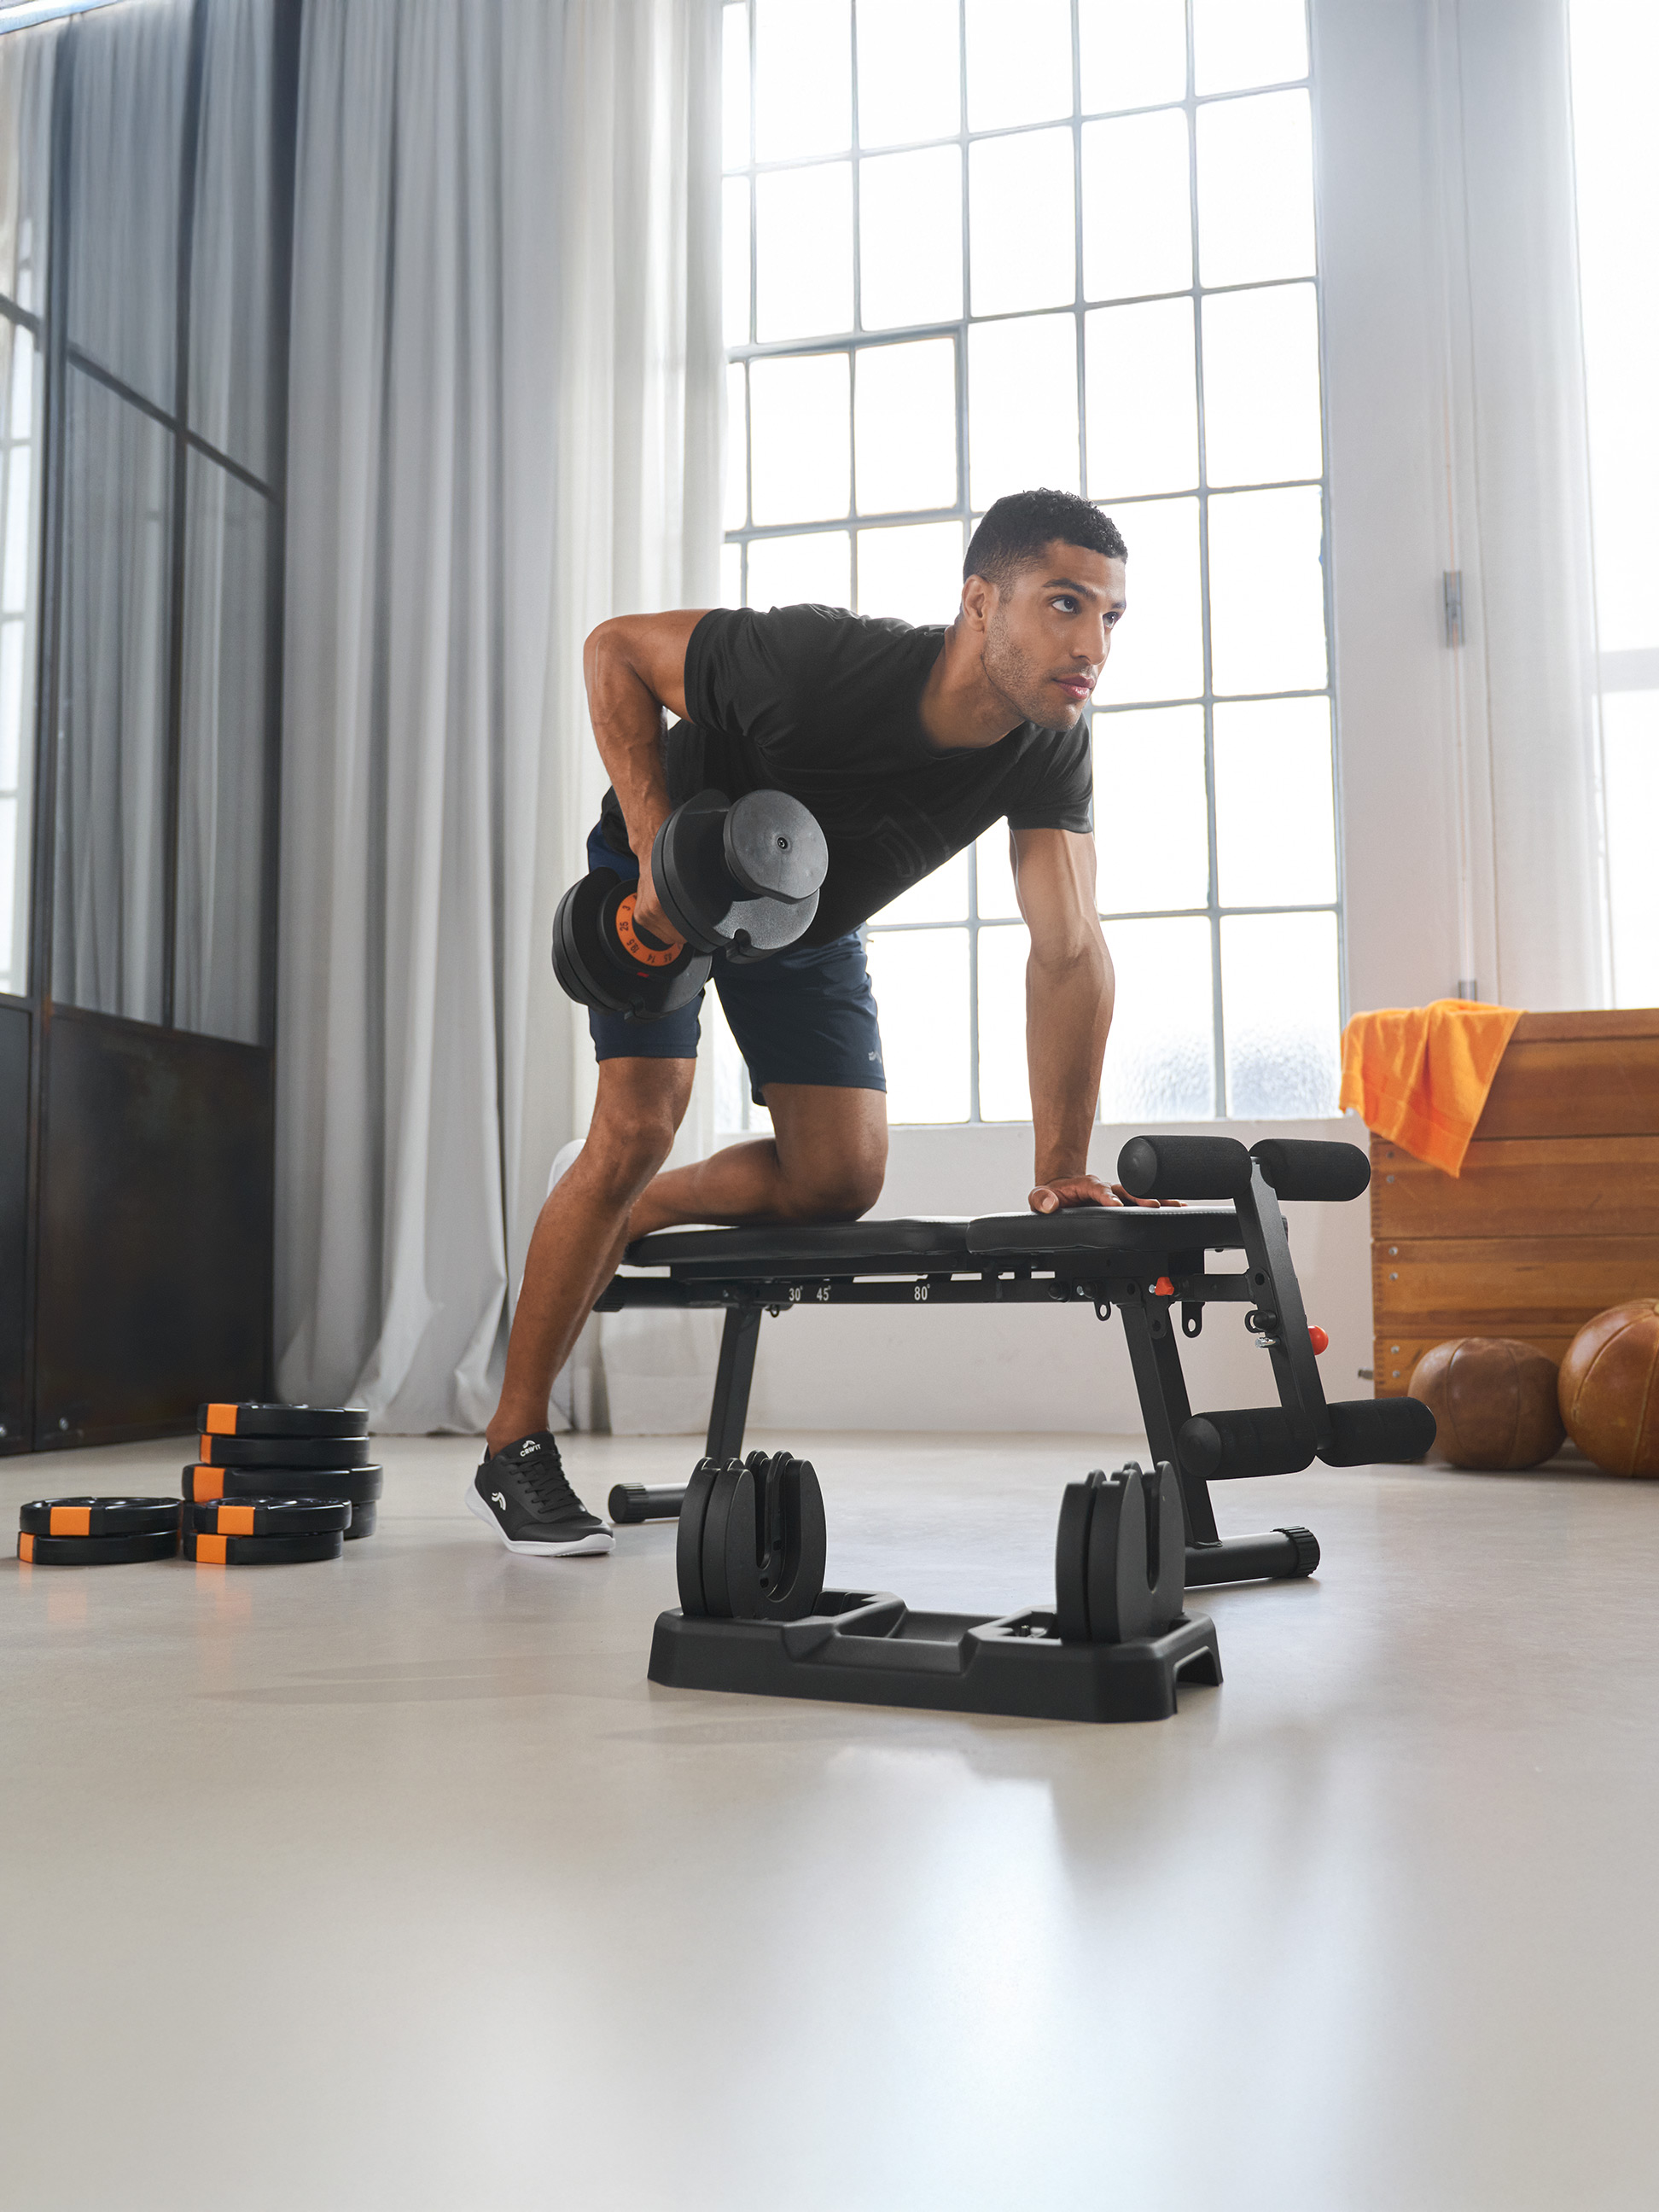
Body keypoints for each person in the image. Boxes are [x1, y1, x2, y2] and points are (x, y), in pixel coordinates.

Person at [469, 486, 1136, 1557]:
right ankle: (512, 1448)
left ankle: (636, 1211)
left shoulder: (1052, 743)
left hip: (810, 918)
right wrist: (654, 857)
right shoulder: (819, 663)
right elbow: (616, 651)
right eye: (1065, 604)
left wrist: (1062, 1160)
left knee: (841, 1179)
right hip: (680, 865)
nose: (1092, 643)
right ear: (980, 601)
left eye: (1110, 617)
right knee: (638, 1123)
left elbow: (1068, 949)